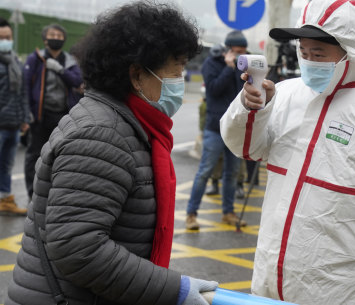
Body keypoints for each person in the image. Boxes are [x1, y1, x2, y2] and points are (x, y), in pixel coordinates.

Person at [221, 1, 355, 304]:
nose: (308, 61)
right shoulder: (287, 94)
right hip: (268, 287)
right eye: (303, 52)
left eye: (318, 54)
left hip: (339, 293)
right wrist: (252, 109)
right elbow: (245, 147)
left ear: (353, 50)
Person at [6, 2, 217, 304]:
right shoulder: (102, 135)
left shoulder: (127, 125)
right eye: (176, 69)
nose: (179, 80)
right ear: (136, 74)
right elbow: (79, 248)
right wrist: (174, 289)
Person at [185, 30, 247, 230]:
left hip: (235, 128)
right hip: (215, 127)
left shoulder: (240, 65)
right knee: (204, 172)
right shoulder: (211, 64)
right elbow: (214, 90)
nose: (240, 55)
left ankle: (228, 213)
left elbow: (242, 92)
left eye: (243, 52)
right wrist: (229, 68)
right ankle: (191, 214)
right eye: (237, 51)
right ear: (228, 50)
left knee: (232, 173)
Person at [23, 23, 83, 200]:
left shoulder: (69, 61)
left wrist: (60, 70)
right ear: (45, 39)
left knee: (61, 155)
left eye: (59, 36)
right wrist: (28, 111)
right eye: (52, 35)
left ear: (64, 39)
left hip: (63, 116)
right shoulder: (35, 59)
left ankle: (56, 195)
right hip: (40, 116)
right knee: (34, 155)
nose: (56, 38)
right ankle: (32, 195)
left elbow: (77, 82)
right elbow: (26, 85)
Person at [0, 17, 29, 216]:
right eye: (2, 38)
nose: (6, 41)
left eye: (8, 37)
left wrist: (24, 117)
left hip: (13, 124)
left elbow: (22, 92)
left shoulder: (15, 61)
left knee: (6, 165)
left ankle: (4, 199)